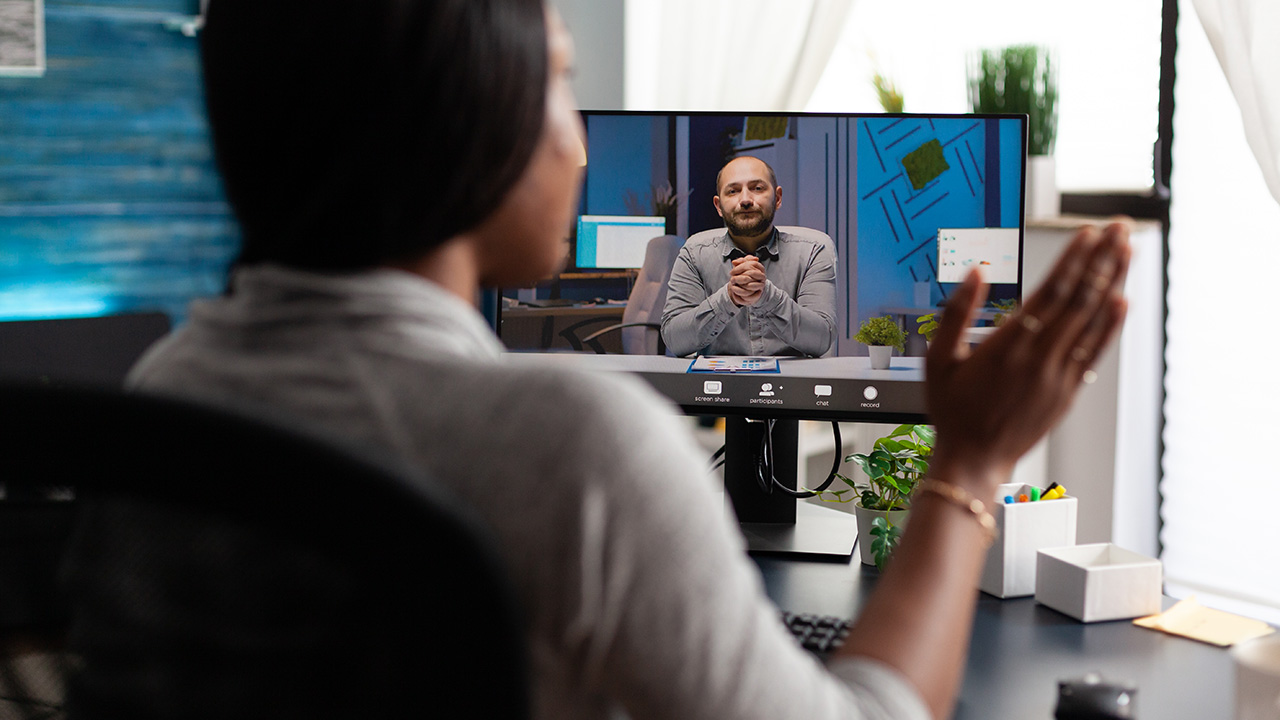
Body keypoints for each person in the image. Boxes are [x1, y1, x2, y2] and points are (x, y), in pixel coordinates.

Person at [127, 1, 1132, 718]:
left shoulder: (165, 393)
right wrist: (968, 461)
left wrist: (764, 303)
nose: (573, 145)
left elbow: (805, 338)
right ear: (468, 111)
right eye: (560, 78)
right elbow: (669, 338)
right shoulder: (573, 447)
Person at [661, 156, 837, 357]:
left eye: (758, 188)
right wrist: (728, 298)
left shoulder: (813, 251)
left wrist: (768, 297)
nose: (745, 200)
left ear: (777, 198)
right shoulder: (694, 253)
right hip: (716, 384)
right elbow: (674, 340)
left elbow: (822, 340)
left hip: (790, 384)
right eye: (733, 191)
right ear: (718, 206)